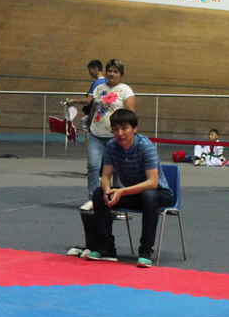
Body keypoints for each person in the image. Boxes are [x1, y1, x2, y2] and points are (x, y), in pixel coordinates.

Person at [76, 109, 174, 268]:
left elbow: (152, 182)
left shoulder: (145, 146)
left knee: (149, 195)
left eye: (124, 128)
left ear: (134, 129)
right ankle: (106, 248)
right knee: (99, 193)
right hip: (134, 194)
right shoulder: (111, 146)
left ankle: (145, 251)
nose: (120, 133)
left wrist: (121, 191)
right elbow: (106, 176)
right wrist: (107, 191)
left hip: (160, 193)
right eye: (115, 130)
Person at [83, 59, 135, 210]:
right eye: (110, 71)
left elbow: (130, 113)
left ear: (121, 74)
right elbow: (94, 108)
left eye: (115, 71)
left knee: (117, 170)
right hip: (96, 134)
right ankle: (94, 199)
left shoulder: (125, 90)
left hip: (116, 137)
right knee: (93, 166)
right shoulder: (99, 88)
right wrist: (88, 124)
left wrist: (129, 134)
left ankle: (117, 202)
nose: (112, 74)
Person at [63, 59, 106, 135]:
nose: (89, 73)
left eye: (90, 70)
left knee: (84, 124)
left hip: (96, 115)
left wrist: (73, 101)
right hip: (105, 115)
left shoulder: (96, 83)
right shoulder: (107, 81)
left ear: (95, 69)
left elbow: (88, 101)